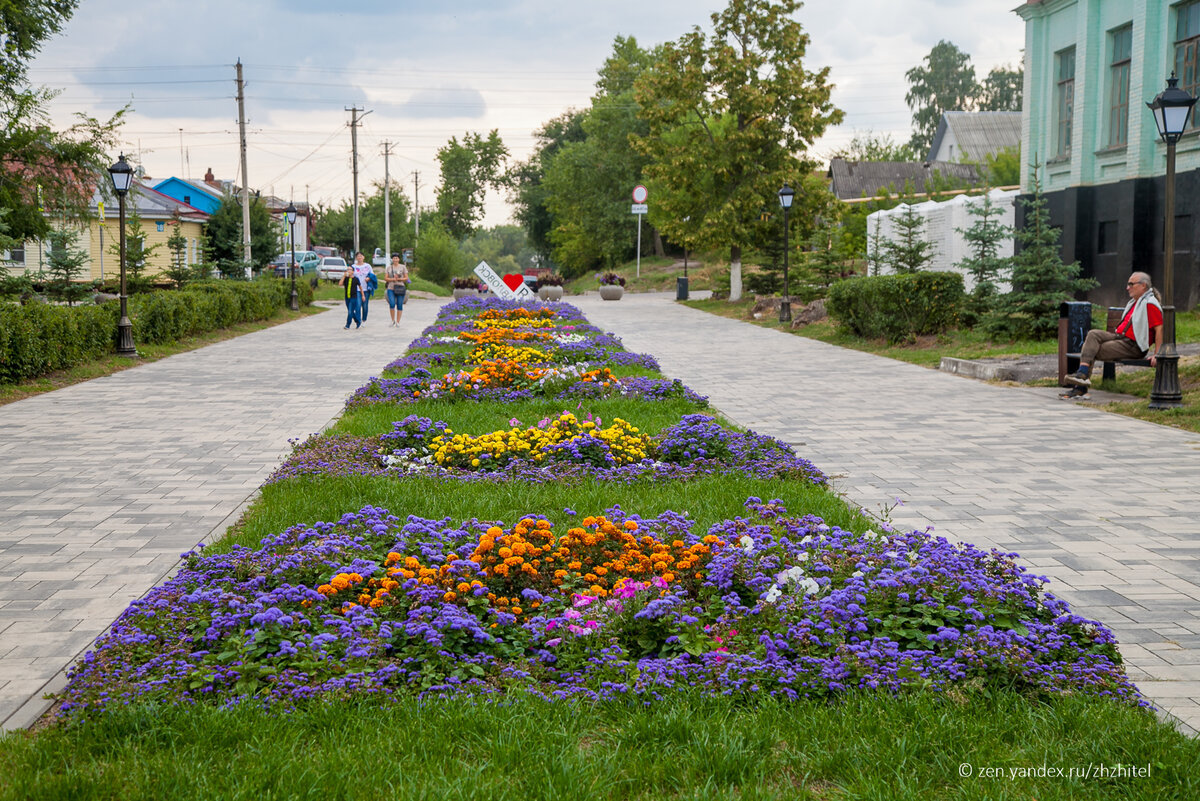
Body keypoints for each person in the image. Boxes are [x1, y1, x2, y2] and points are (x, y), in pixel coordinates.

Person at [1064, 271, 1162, 388]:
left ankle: (1080, 385)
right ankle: (1082, 375)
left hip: (1132, 346)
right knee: (1093, 334)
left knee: (1092, 350)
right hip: (1120, 337)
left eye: (1131, 284)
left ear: (1143, 285)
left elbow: (1160, 329)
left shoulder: (1150, 303)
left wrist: (1157, 354)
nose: (1127, 288)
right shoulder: (1136, 302)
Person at [339, 251, 367, 329]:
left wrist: (363, 295)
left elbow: (360, 287)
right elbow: (340, 284)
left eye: (350, 270)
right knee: (351, 311)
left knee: (350, 312)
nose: (348, 271)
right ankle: (358, 321)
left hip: (353, 297)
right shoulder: (346, 279)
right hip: (347, 297)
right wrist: (344, 276)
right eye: (347, 269)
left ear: (353, 271)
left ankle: (347, 325)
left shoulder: (356, 279)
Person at [385, 253, 410, 327]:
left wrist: (399, 278)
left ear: (399, 259)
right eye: (394, 258)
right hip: (391, 287)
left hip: (400, 287)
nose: (395, 259)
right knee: (392, 303)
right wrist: (393, 279)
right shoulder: (389, 268)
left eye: (396, 258)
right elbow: (385, 278)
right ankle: (392, 320)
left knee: (399, 304)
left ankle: (398, 321)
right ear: (392, 259)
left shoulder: (403, 267)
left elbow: (406, 278)